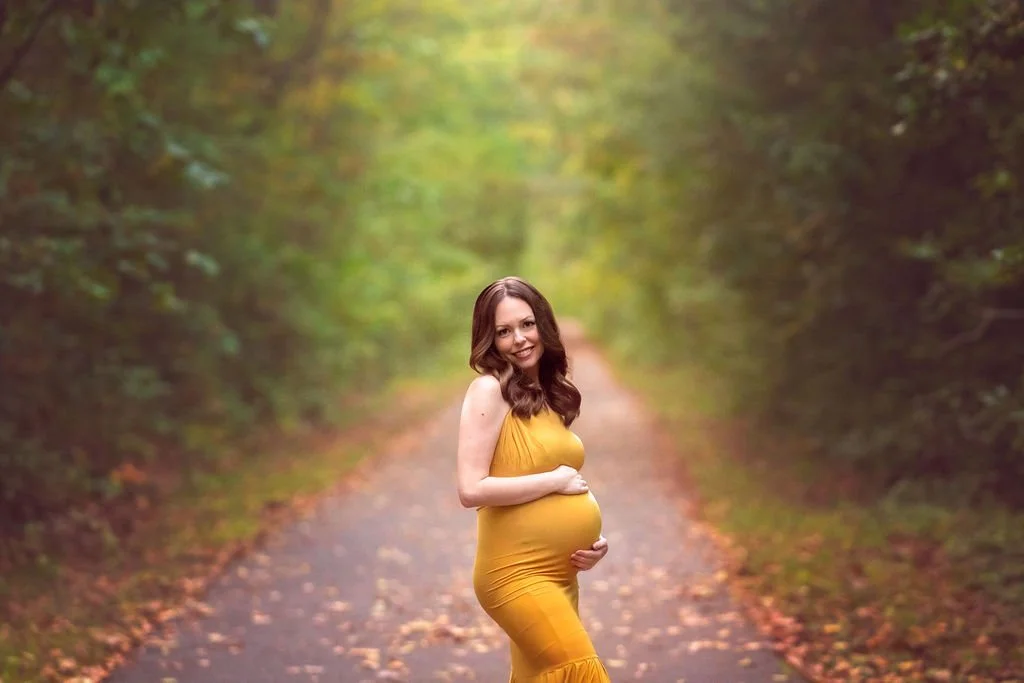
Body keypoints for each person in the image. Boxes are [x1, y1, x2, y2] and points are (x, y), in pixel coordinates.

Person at [456, 276, 611, 682]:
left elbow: (560, 486)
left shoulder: (545, 394)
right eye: (503, 332)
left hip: (561, 575)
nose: (519, 339)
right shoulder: (488, 391)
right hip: (514, 575)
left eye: (527, 324)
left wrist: (591, 542)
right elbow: (471, 490)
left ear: (543, 323)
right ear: (489, 340)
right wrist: (555, 480)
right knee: (582, 674)